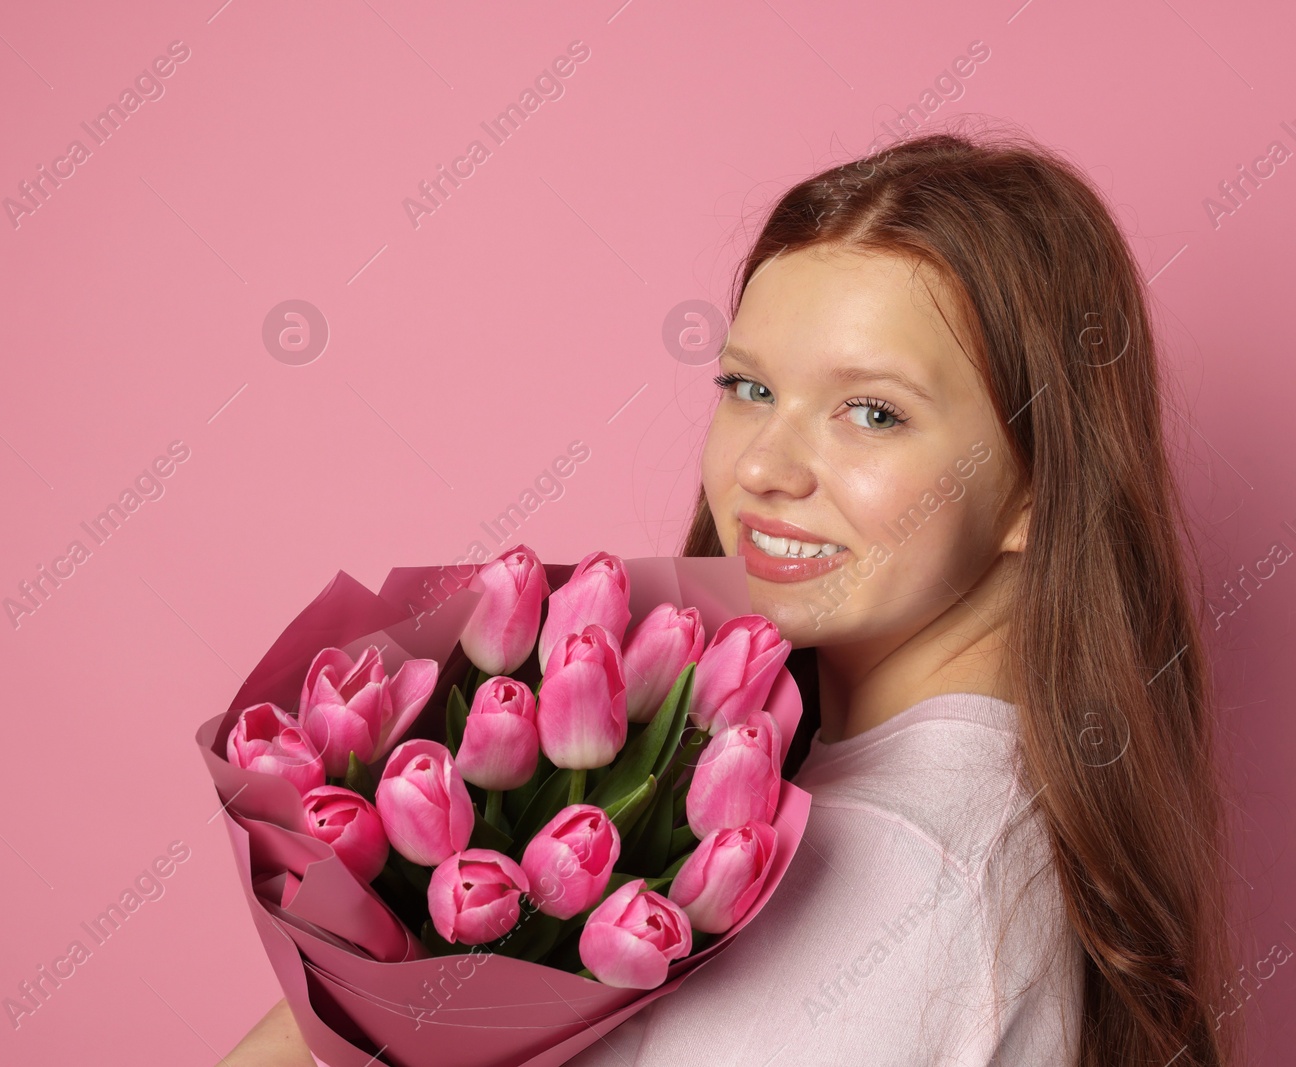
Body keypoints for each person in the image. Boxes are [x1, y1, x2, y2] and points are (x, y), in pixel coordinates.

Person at [219, 126, 1242, 1067]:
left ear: (1038, 483)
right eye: (749, 388)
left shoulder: (890, 859)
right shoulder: (857, 796)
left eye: (871, 411)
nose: (762, 466)